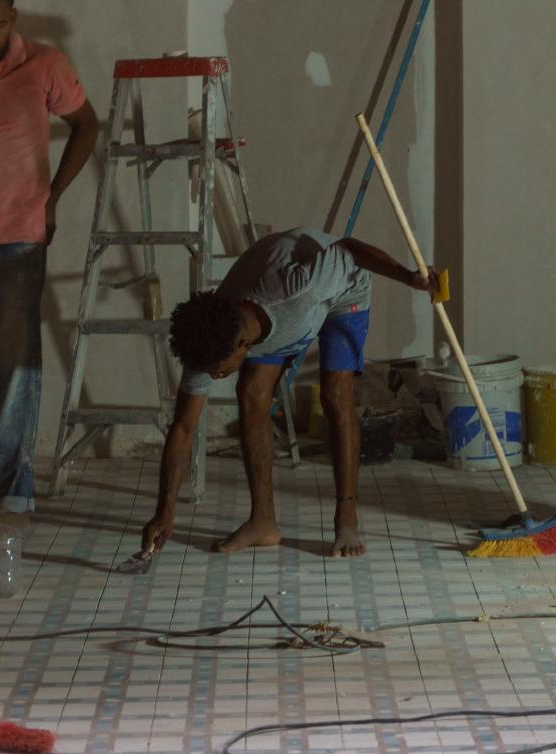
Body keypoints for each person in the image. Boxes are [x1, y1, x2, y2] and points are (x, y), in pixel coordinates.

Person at [140, 227, 439, 558]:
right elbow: (183, 428)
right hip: (276, 313)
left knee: (335, 396)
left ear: (242, 345)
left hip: (343, 293)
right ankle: (263, 522)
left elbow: (350, 249)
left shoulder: (298, 290)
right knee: (252, 393)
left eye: (219, 370)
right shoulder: (210, 332)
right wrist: (164, 510)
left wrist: (410, 278)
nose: (214, 376)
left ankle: (347, 519)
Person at [0, 0, 99, 530]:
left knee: (16, 370)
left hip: (17, 238)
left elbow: (86, 125)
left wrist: (53, 197)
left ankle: (12, 494)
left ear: (12, 18)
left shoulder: (44, 65)